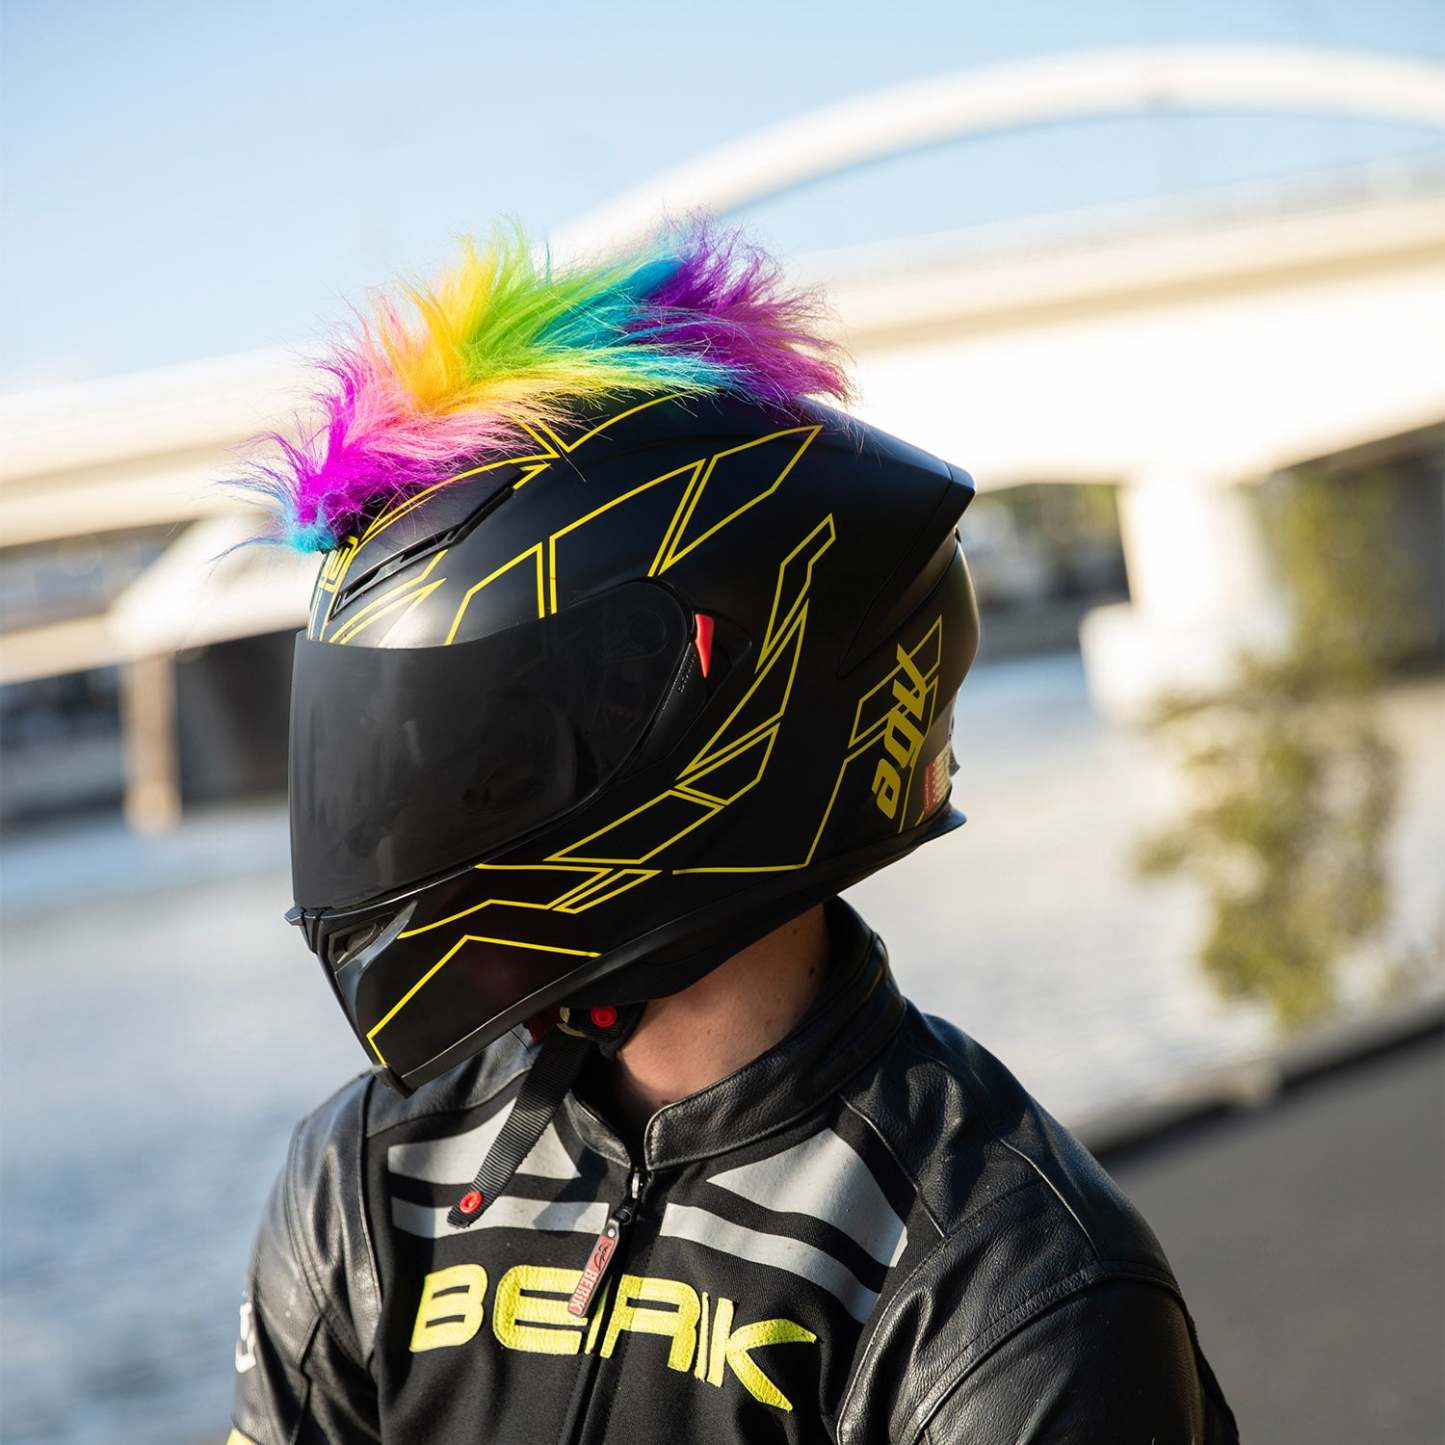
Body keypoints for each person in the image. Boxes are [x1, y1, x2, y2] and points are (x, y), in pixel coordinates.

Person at [228, 221, 1238, 1444]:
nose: (412, 809)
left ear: (721, 714)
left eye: (481, 755)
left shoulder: (998, 1278)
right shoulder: (371, 1174)